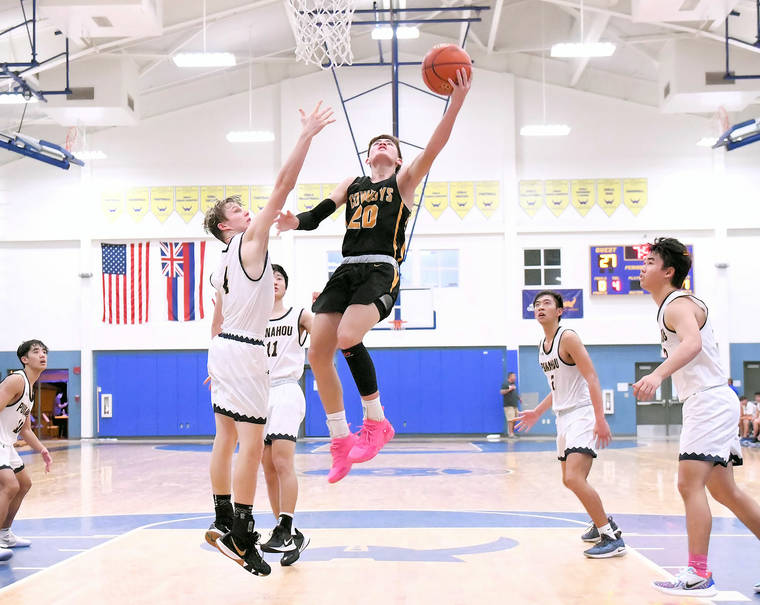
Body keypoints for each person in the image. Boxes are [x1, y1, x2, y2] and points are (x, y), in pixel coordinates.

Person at [276, 69, 472, 483]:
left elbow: (434, 147)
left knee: (348, 336)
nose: (382, 144)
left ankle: (376, 421)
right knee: (318, 353)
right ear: (367, 157)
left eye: (390, 143)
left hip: (381, 267)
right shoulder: (353, 183)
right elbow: (321, 211)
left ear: (399, 158)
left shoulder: (404, 181)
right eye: (375, 143)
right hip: (345, 269)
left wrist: (454, 104)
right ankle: (340, 440)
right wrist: (296, 222)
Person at [202, 102, 334, 577]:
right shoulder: (250, 242)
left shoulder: (220, 266)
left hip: (223, 348)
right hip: (244, 349)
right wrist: (307, 136)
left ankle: (222, 514)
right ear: (227, 226)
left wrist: (215, 364)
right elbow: (283, 186)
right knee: (252, 445)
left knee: (225, 436)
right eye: (238, 210)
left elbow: (216, 319)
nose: (248, 212)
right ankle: (241, 530)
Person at [634, 237, 760, 597]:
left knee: (689, 485)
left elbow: (693, 344)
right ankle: (698, 572)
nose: (642, 268)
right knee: (725, 491)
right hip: (711, 400)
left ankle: (698, 574)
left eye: (650, 262)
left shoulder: (677, 304)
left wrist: (657, 375)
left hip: (708, 401)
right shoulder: (673, 306)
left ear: (668, 271)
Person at [515, 291, 626, 559]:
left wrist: (600, 419)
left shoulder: (568, 337)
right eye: (537, 304)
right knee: (570, 480)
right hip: (563, 416)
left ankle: (611, 537)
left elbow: (592, 378)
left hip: (581, 413)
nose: (540, 307)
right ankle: (603, 521)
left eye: (547, 303)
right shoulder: (543, 346)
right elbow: (558, 388)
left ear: (559, 311)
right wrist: (537, 412)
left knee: (574, 477)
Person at [260, 264, 312, 566]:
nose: (275, 281)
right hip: (259, 394)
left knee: (281, 461)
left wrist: (325, 309)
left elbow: (324, 331)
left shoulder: (298, 315)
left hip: (286, 390)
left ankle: (286, 527)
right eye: (270, 277)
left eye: (279, 277)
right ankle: (289, 534)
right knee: (267, 467)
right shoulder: (253, 321)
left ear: (285, 286)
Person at [0, 340, 54, 563]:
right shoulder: (16, 380)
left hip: (6, 443)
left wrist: (42, 449)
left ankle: (4, 534)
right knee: (9, 485)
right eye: (36, 351)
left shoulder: (30, 389)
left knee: (24, 484)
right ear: (24, 359)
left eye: (44, 351)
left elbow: (26, 429)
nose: (42, 355)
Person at [500, 372, 520, 438]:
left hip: (514, 405)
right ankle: (510, 434)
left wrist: (519, 398)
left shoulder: (513, 384)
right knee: (510, 419)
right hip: (508, 405)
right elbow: (501, 392)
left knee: (515, 419)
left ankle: (512, 433)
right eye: (514, 376)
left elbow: (514, 393)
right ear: (510, 377)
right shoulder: (505, 384)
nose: (515, 377)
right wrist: (509, 389)